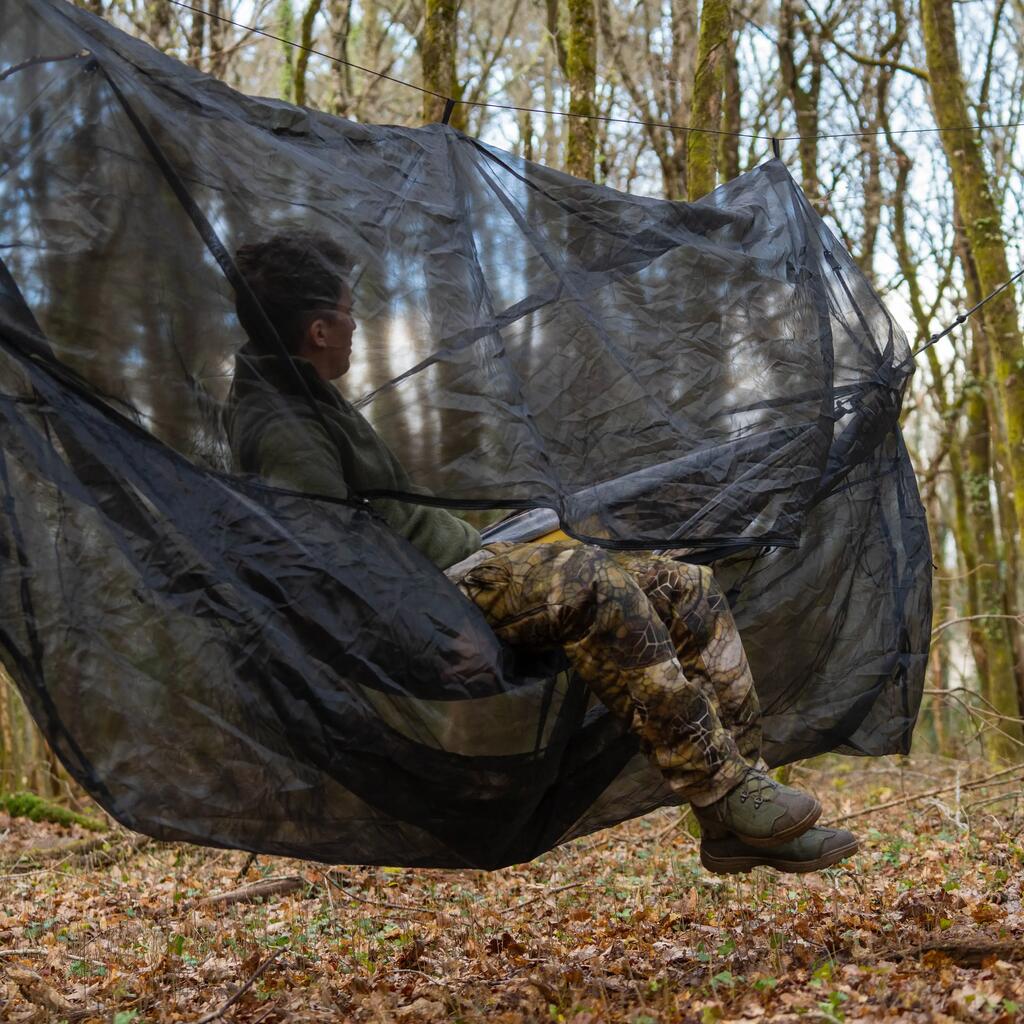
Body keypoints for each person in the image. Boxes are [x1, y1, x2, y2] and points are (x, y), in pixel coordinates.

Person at [225, 232, 859, 875]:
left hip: (466, 565)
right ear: (320, 330)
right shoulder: (279, 427)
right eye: (349, 312)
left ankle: (735, 815)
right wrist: (440, 632)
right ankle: (721, 790)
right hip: (436, 599)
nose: (359, 326)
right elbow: (328, 562)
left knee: (683, 586)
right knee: (590, 583)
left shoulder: (301, 390)